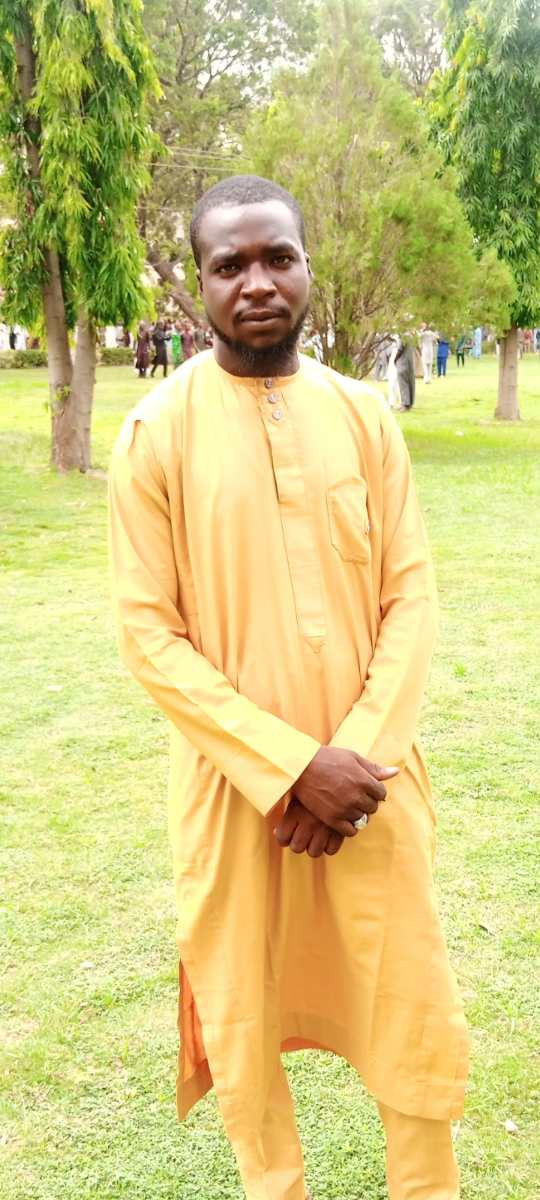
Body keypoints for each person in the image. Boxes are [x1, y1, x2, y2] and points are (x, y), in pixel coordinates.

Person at [109, 174, 468, 1200]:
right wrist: (288, 768)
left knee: (406, 1000)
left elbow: (411, 595)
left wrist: (354, 761)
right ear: (201, 287)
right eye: (231, 265)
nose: (257, 282)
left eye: (279, 257)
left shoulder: (364, 417)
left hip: (372, 788)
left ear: (310, 268)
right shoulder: (156, 433)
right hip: (237, 798)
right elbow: (148, 635)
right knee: (244, 1007)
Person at [395, 338, 416, 409]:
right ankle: (410, 403)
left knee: (403, 383)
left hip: (403, 362)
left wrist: (395, 359)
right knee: (410, 383)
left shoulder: (403, 337)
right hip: (410, 362)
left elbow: (400, 349)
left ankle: (405, 404)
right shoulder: (412, 336)